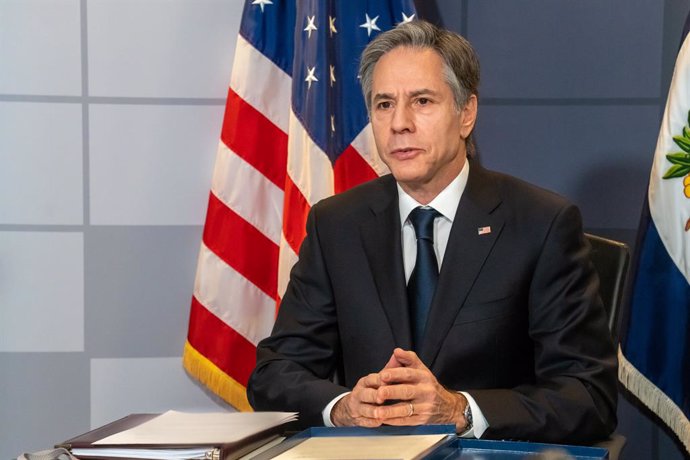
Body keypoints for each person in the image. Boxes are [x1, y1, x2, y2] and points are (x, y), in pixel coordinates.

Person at [247, 20, 617, 444]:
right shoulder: (337, 224)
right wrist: (342, 407)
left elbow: (588, 394)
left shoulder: (541, 223)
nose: (399, 123)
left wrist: (461, 410)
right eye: (384, 104)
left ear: (466, 113)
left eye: (421, 101)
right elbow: (274, 374)